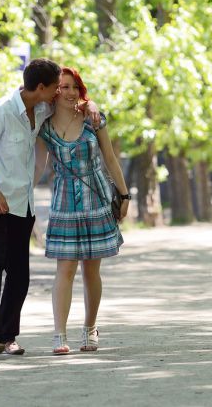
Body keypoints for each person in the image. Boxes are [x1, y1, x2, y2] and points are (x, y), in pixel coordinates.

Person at [0, 58, 99, 359]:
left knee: (19, 274)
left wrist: (91, 106)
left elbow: (73, 100)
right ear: (41, 87)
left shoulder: (40, 109)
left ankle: (8, 336)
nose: (57, 93)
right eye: (54, 87)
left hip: (22, 205)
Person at [35, 67, 129, 355]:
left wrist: (124, 194)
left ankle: (90, 329)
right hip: (64, 200)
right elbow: (38, 166)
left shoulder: (93, 119)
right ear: (54, 91)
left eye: (74, 87)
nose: (69, 92)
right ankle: (59, 335)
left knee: (91, 269)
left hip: (95, 196)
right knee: (65, 268)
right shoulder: (44, 124)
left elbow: (110, 158)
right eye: (63, 87)